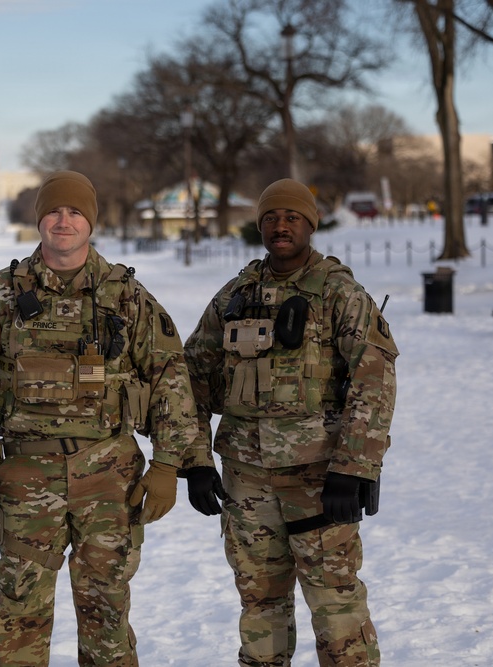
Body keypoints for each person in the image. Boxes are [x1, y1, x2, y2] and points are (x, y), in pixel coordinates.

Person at [0, 170, 208, 667]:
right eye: (54, 211)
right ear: (39, 218)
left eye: (75, 212)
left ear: (91, 223)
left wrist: (169, 465)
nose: (64, 221)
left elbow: (171, 379)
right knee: (19, 615)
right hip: (24, 477)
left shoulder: (127, 296)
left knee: (107, 613)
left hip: (108, 478)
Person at [182, 178, 398, 667]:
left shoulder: (339, 293)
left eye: (292, 217)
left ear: (310, 225)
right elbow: (189, 377)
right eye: (271, 218)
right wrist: (194, 461)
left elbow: (374, 379)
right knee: (260, 603)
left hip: (320, 479)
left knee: (336, 602)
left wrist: (354, 468)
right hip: (246, 479)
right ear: (260, 225)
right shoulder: (236, 294)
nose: (281, 226)